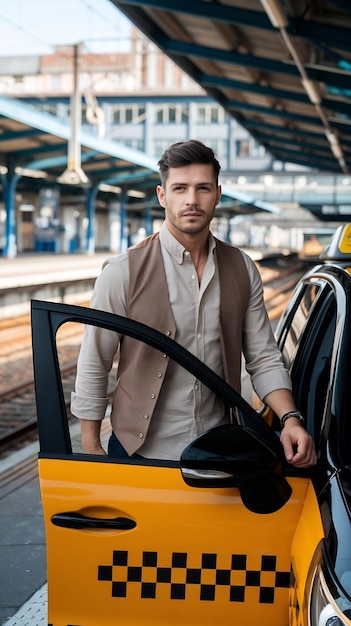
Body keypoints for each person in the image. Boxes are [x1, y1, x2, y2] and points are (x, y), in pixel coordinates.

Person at [71, 139, 317, 468]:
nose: (191, 200)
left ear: (217, 194)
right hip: (138, 454)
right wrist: (91, 447)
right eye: (180, 188)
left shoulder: (242, 268)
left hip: (220, 451)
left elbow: (263, 357)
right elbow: (94, 361)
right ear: (162, 195)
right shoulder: (122, 272)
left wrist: (290, 419)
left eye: (202, 188)